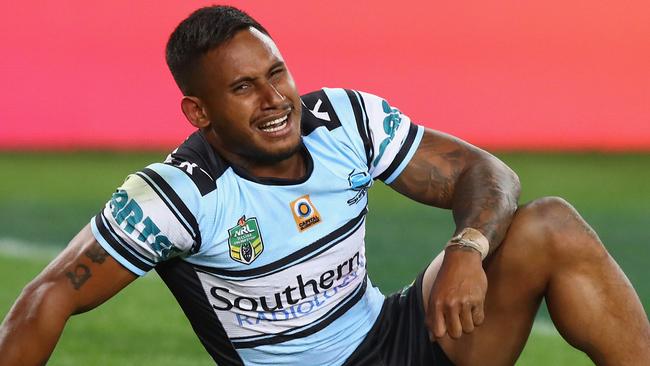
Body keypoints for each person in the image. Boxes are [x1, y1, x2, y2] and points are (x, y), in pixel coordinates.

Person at [1, 5, 649, 366]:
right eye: (243, 88)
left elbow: (487, 173)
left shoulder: (342, 121)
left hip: (401, 339)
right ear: (200, 113)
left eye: (276, 73)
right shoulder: (178, 194)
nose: (275, 98)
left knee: (551, 225)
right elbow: (51, 293)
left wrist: (469, 246)